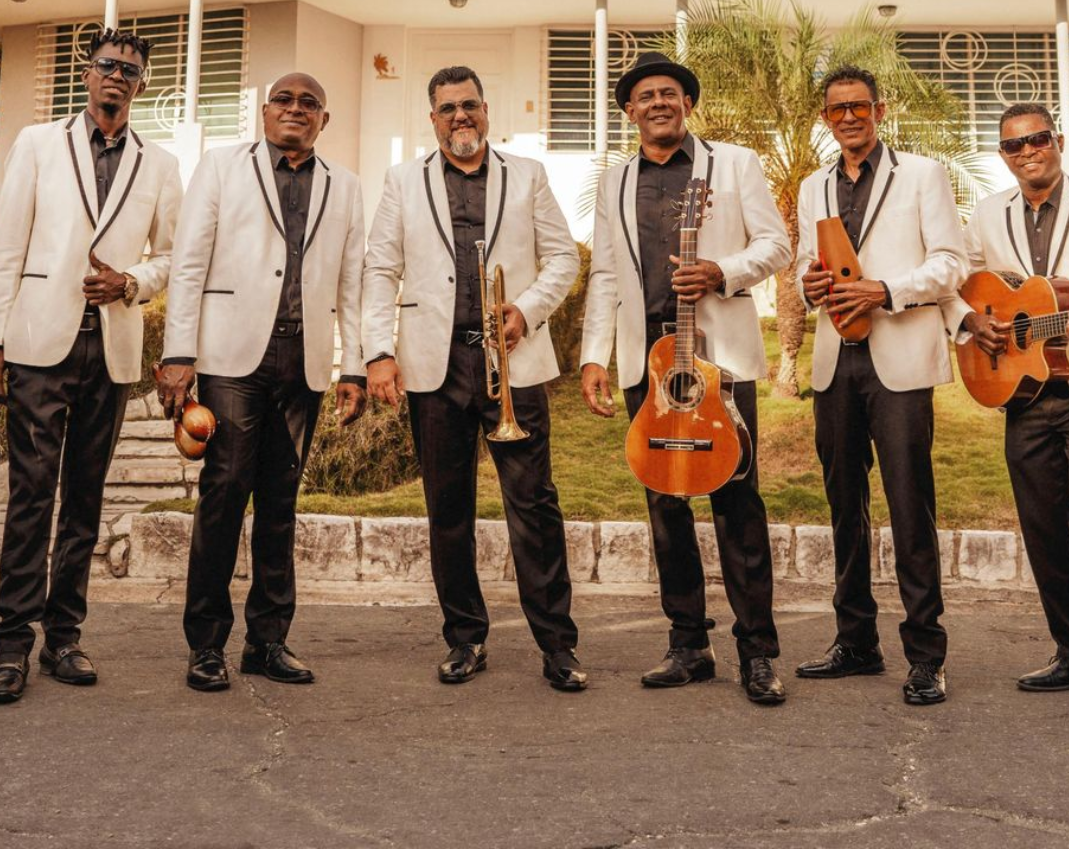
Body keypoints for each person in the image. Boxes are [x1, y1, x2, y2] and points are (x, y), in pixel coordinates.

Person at [0, 27, 183, 703]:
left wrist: (132, 282)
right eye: (107, 65)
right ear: (86, 73)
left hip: (111, 349)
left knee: (85, 502)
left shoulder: (160, 163)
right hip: (39, 342)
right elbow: (8, 245)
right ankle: (11, 644)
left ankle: (64, 636)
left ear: (142, 85)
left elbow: (175, 256)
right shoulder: (38, 143)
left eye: (129, 70)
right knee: (31, 496)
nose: (117, 76)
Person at [579, 51, 792, 705]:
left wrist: (721, 272)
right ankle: (688, 645)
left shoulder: (735, 164)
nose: (658, 103)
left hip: (717, 361)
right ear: (629, 111)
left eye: (669, 93)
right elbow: (606, 273)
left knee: (736, 502)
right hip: (648, 361)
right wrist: (594, 356)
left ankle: (757, 652)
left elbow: (777, 245)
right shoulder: (615, 181)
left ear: (687, 104)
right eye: (645, 96)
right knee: (665, 504)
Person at [362, 66, 585, 690]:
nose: (460, 116)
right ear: (432, 119)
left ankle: (558, 647)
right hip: (435, 367)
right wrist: (378, 351)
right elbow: (380, 269)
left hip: (513, 364)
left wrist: (526, 310)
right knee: (448, 508)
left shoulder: (528, 174)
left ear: (486, 110)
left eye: (469, 105)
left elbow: (563, 256)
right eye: (447, 108)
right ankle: (464, 638)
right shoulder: (402, 180)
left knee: (534, 506)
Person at [940, 102, 1069, 728]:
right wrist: (971, 324)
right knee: (1042, 525)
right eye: (1013, 145)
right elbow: (961, 285)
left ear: (1057, 141)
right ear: (1002, 155)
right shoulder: (988, 213)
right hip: (1023, 389)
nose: (1027, 151)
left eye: (1036, 139)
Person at [159, 72, 368, 692]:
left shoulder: (345, 185)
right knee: (224, 494)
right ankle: (206, 644)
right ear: (265, 111)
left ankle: (268, 641)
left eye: (310, 102)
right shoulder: (221, 167)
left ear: (324, 119)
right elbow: (188, 262)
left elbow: (352, 281)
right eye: (284, 99)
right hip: (230, 358)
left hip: (303, 360)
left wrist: (353, 365)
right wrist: (179, 353)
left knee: (280, 503)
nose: (295, 109)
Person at [795, 65, 968, 707]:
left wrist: (887, 290)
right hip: (834, 362)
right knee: (845, 506)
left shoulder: (922, 174)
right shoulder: (813, 186)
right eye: (837, 109)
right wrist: (808, 285)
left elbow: (951, 263)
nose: (849, 117)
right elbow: (803, 269)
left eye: (859, 106)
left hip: (899, 362)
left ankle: (926, 656)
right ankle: (856, 641)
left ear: (879, 110)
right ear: (825, 118)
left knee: (908, 505)